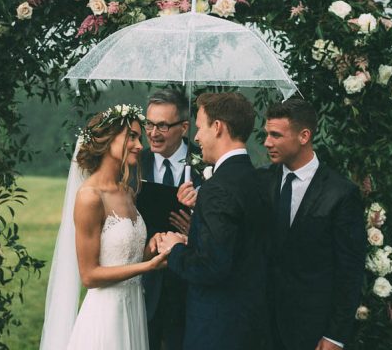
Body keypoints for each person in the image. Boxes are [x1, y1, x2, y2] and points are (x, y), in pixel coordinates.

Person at [40, 104, 168, 350]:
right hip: (106, 316)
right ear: (107, 140)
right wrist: (148, 266)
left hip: (133, 309)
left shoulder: (128, 192)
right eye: (132, 136)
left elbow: (123, 259)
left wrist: (149, 251)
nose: (140, 145)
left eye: (139, 138)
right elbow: (89, 275)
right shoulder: (90, 197)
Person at [160, 92, 270, 349]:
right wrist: (195, 238)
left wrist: (174, 248)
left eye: (200, 127)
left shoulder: (217, 188)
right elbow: (239, 246)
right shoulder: (258, 181)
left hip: (218, 328)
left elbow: (211, 267)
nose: (196, 137)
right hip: (251, 323)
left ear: (218, 127)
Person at [262, 99, 365, 350]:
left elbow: (349, 273)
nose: (267, 142)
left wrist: (335, 335)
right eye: (267, 134)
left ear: (304, 135)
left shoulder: (341, 193)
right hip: (260, 327)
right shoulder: (260, 181)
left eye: (276, 135)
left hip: (311, 331)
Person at [138, 89, 202, 350]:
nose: (153, 133)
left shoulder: (204, 164)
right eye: (149, 124)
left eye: (163, 125)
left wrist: (195, 229)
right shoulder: (135, 162)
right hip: (146, 284)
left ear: (184, 127)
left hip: (190, 288)